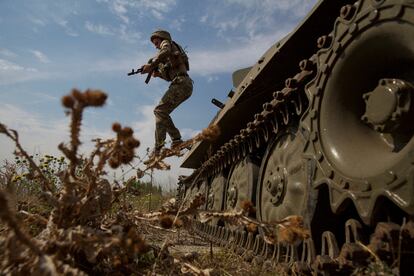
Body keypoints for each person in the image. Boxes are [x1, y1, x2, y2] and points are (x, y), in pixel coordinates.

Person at [140, 29, 193, 160]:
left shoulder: (166, 44)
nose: (155, 45)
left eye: (156, 41)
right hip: (182, 84)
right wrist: (158, 74)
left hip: (181, 83)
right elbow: (170, 74)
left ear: (162, 38)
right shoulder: (168, 54)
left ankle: (160, 147)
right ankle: (174, 141)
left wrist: (151, 64)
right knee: (161, 112)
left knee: (159, 111)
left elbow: (164, 52)